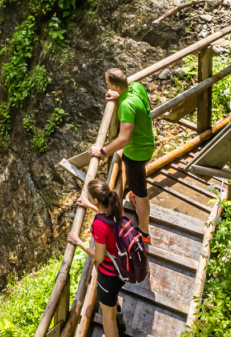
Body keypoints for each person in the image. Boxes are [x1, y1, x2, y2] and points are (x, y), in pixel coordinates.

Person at [86, 66, 153, 242]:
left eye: (108, 84)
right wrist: (119, 96)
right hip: (146, 145)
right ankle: (134, 197)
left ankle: (144, 232)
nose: (107, 86)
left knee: (141, 193)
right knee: (135, 180)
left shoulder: (126, 106)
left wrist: (102, 151)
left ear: (115, 86)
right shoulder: (137, 87)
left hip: (136, 153)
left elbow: (123, 139)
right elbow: (131, 100)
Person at [67, 179, 128, 337]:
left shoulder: (99, 225)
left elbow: (99, 257)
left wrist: (79, 242)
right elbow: (105, 215)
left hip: (109, 275)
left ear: (96, 199)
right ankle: (119, 319)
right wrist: (89, 205)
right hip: (122, 267)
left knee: (108, 317)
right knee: (111, 306)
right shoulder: (117, 208)